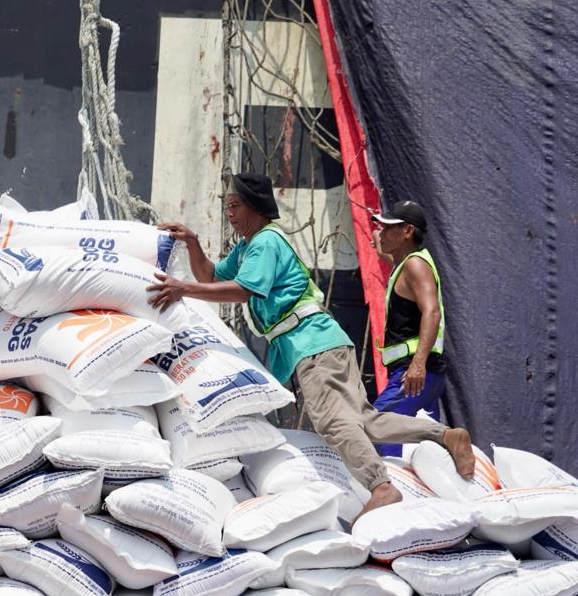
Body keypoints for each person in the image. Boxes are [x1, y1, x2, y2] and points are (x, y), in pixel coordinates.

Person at [146, 173, 474, 517]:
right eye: (226, 206)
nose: (229, 214)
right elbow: (211, 277)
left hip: (312, 344)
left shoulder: (266, 243)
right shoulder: (248, 246)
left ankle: (381, 486)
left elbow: (243, 290)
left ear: (255, 207)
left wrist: (182, 289)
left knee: (333, 422)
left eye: (234, 206)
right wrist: (194, 243)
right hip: (325, 341)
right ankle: (445, 436)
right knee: (364, 421)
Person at [371, 201, 446, 418]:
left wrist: (418, 364)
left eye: (388, 227)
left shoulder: (415, 266)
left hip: (413, 373)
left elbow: (432, 312)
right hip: (422, 374)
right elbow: (385, 253)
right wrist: (379, 239)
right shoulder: (406, 263)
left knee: (375, 429)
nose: (382, 232)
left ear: (407, 231)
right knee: (422, 443)